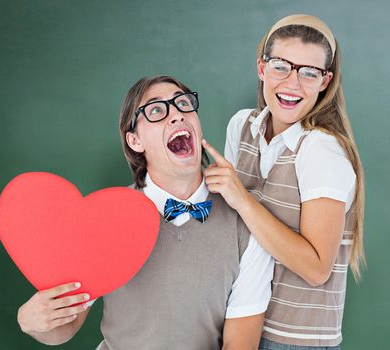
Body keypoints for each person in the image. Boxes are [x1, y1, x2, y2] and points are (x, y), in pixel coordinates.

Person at [16, 75, 274, 350]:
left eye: (183, 104)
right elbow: (65, 327)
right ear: (135, 141)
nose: (176, 115)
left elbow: (240, 343)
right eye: (156, 110)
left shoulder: (245, 224)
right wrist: (31, 321)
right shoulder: (108, 217)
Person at [201, 14, 365, 349]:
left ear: (325, 81)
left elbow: (317, 268)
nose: (292, 83)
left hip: (292, 340)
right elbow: (236, 230)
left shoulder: (321, 150)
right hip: (239, 326)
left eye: (309, 72)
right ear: (261, 68)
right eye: (281, 66)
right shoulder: (242, 126)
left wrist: (242, 200)